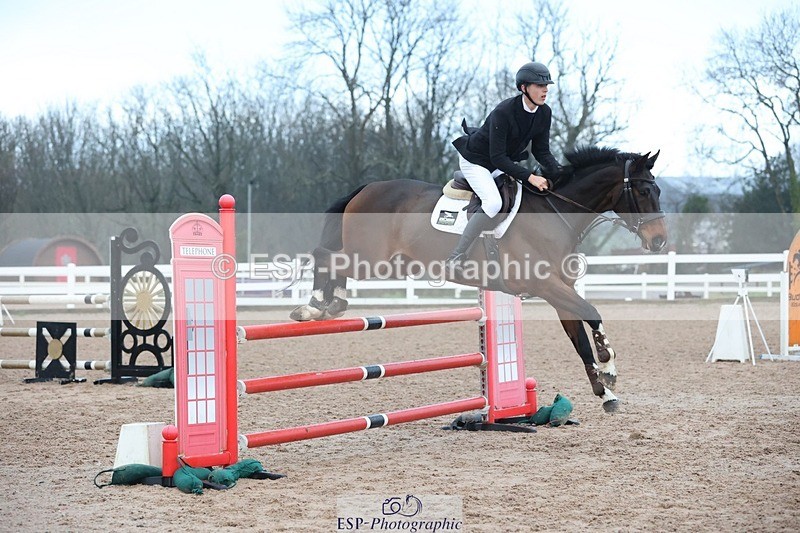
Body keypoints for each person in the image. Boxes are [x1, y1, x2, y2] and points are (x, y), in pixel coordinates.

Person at [447, 61, 562, 275]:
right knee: (493, 203)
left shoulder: (544, 113)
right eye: (539, 85)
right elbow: (498, 158)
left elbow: (542, 151)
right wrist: (530, 176)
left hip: (501, 161)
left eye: (547, 85)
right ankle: (456, 257)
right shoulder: (504, 111)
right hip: (477, 161)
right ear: (523, 88)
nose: (545, 89)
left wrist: (561, 172)